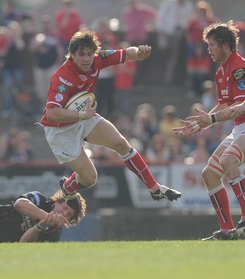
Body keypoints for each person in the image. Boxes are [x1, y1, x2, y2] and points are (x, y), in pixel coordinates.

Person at [40, 30, 181, 203]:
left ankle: (154, 188)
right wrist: (82, 115)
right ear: (71, 55)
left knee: (121, 143)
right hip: (60, 130)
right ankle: (69, 187)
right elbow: (51, 113)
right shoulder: (61, 77)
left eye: (89, 54)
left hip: (83, 115)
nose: (86, 59)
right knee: (91, 178)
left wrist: (139, 52)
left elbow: (127, 54)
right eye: (81, 55)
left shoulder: (98, 58)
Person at [173, 21, 245, 240]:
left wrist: (211, 118)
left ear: (225, 45)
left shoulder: (239, 68)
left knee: (229, 161)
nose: (208, 50)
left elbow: (241, 106)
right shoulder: (222, 70)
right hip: (239, 128)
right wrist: (200, 123)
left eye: (212, 45)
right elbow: (224, 105)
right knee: (209, 174)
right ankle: (227, 231)